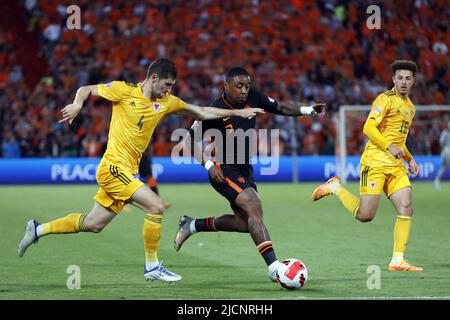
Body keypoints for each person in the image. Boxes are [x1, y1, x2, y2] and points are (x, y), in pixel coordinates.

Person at [17, 58, 263, 283]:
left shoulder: (166, 102)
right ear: (153, 78)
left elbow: (201, 111)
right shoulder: (123, 91)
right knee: (155, 206)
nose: (169, 90)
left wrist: (236, 112)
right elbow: (87, 89)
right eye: (166, 84)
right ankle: (152, 266)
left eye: (172, 86)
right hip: (112, 167)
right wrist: (77, 104)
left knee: (93, 224)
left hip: (127, 172)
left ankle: (37, 229)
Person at [174, 67, 325, 282]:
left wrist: (308, 110)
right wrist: (208, 165)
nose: (244, 90)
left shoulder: (253, 98)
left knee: (244, 223)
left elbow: (280, 107)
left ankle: (192, 225)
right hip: (223, 169)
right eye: (239, 86)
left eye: (247, 86)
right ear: (226, 86)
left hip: (244, 169)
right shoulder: (214, 109)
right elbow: (188, 139)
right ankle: (275, 269)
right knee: (254, 206)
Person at [311, 60, 423, 272]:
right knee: (365, 215)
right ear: (393, 79)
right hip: (374, 163)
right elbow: (368, 127)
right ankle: (334, 187)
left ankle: (397, 259)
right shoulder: (385, 99)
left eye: (408, 78)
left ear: (413, 81)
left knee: (406, 206)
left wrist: (410, 159)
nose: (403, 82)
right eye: (400, 78)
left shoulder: (411, 109)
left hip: (396, 167)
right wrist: (388, 146)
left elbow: (399, 141)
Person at [434, 121, 450, 190]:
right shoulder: (445, 133)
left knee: (445, 167)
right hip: (446, 151)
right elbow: (441, 142)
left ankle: (437, 180)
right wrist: (444, 150)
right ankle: (437, 180)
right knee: (444, 167)